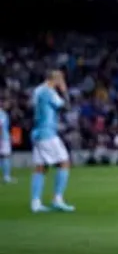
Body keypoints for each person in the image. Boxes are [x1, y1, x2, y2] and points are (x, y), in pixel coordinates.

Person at [29, 70, 74, 212]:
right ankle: (57, 199)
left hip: (37, 132)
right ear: (56, 79)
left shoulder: (37, 90)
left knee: (41, 167)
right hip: (47, 132)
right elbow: (66, 107)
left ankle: (36, 203)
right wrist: (64, 91)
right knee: (64, 162)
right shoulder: (49, 92)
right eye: (61, 80)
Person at [0, 97, 14, 184]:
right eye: (6, 103)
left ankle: (6, 176)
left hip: (4, 137)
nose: (8, 105)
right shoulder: (2, 113)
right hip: (3, 138)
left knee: (3, 157)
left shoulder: (3, 113)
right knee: (6, 156)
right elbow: (1, 127)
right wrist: (1, 138)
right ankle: (6, 177)